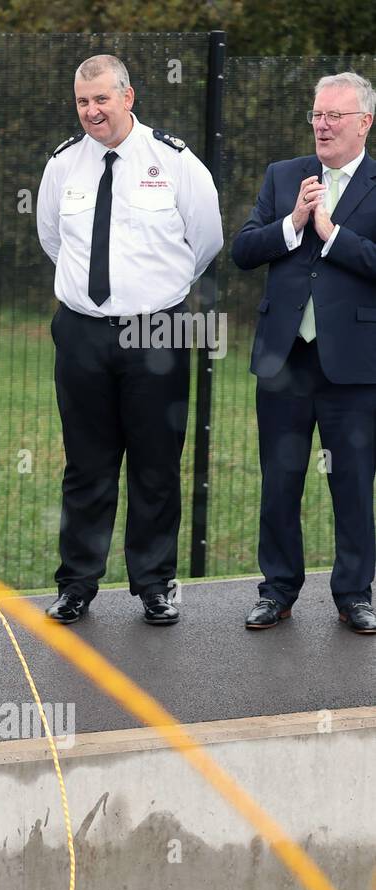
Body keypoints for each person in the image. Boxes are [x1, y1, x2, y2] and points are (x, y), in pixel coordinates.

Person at [35, 54, 222, 626]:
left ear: (128, 97)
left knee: (156, 463)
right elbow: (51, 238)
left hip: (158, 329)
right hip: (82, 331)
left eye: (102, 100)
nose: (92, 111)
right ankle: (77, 585)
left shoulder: (175, 160)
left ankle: (155, 583)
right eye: (83, 102)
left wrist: (154, 292)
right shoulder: (64, 164)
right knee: (86, 464)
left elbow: (207, 239)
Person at [231, 72, 376, 633]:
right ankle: (278, 590)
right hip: (285, 360)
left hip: (354, 365)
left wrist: (333, 234)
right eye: (317, 114)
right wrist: (292, 224)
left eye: (335, 115)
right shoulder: (284, 175)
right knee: (281, 480)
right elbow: (244, 249)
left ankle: (353, 594)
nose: (322, 124)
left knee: (354, 482)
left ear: (365, 122)